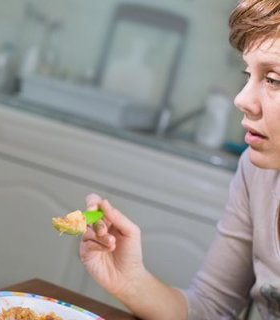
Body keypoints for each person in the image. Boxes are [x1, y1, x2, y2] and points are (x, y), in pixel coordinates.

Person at [79, 0, 280, 319]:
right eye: (249, 74)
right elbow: (210, 309)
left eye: (273, 79)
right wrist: (129, 281)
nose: (241, 99)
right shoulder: (255, 172)